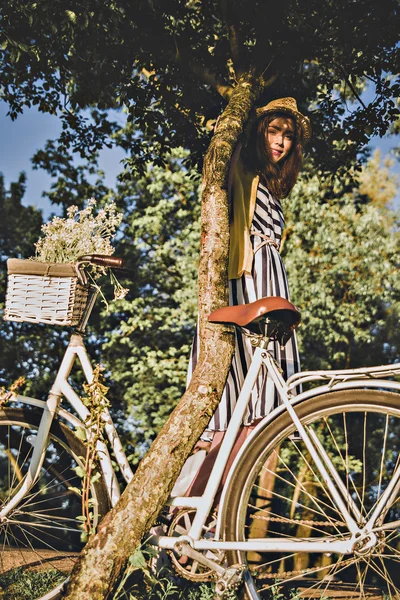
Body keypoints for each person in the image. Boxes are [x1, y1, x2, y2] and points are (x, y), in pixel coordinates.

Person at [180, 97, 311, 498]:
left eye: (288, 135)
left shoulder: (270, 186)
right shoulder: (244, 171)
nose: (282, 141)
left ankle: (219, 505)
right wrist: (243, 111)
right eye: (274, 131)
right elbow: (223, 150)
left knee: (262, 403)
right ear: (259, 133)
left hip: (271, 281)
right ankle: (188, 502)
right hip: (248, 278)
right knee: (235, 397)